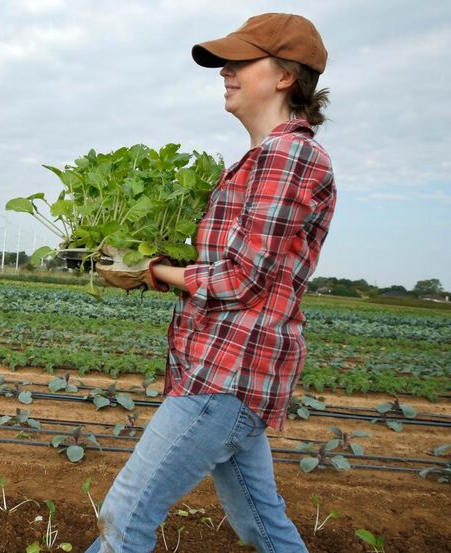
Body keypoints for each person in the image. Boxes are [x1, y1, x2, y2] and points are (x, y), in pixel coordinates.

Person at [87, 13, 336, 553]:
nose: (226, 70)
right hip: (228, 375)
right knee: (262, 525)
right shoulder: (260, 159)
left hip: (225, 378)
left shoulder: (288, 156)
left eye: (241, 61)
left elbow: (240, 278)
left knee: (124, 519)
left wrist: (149, 273)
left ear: (284, 76)